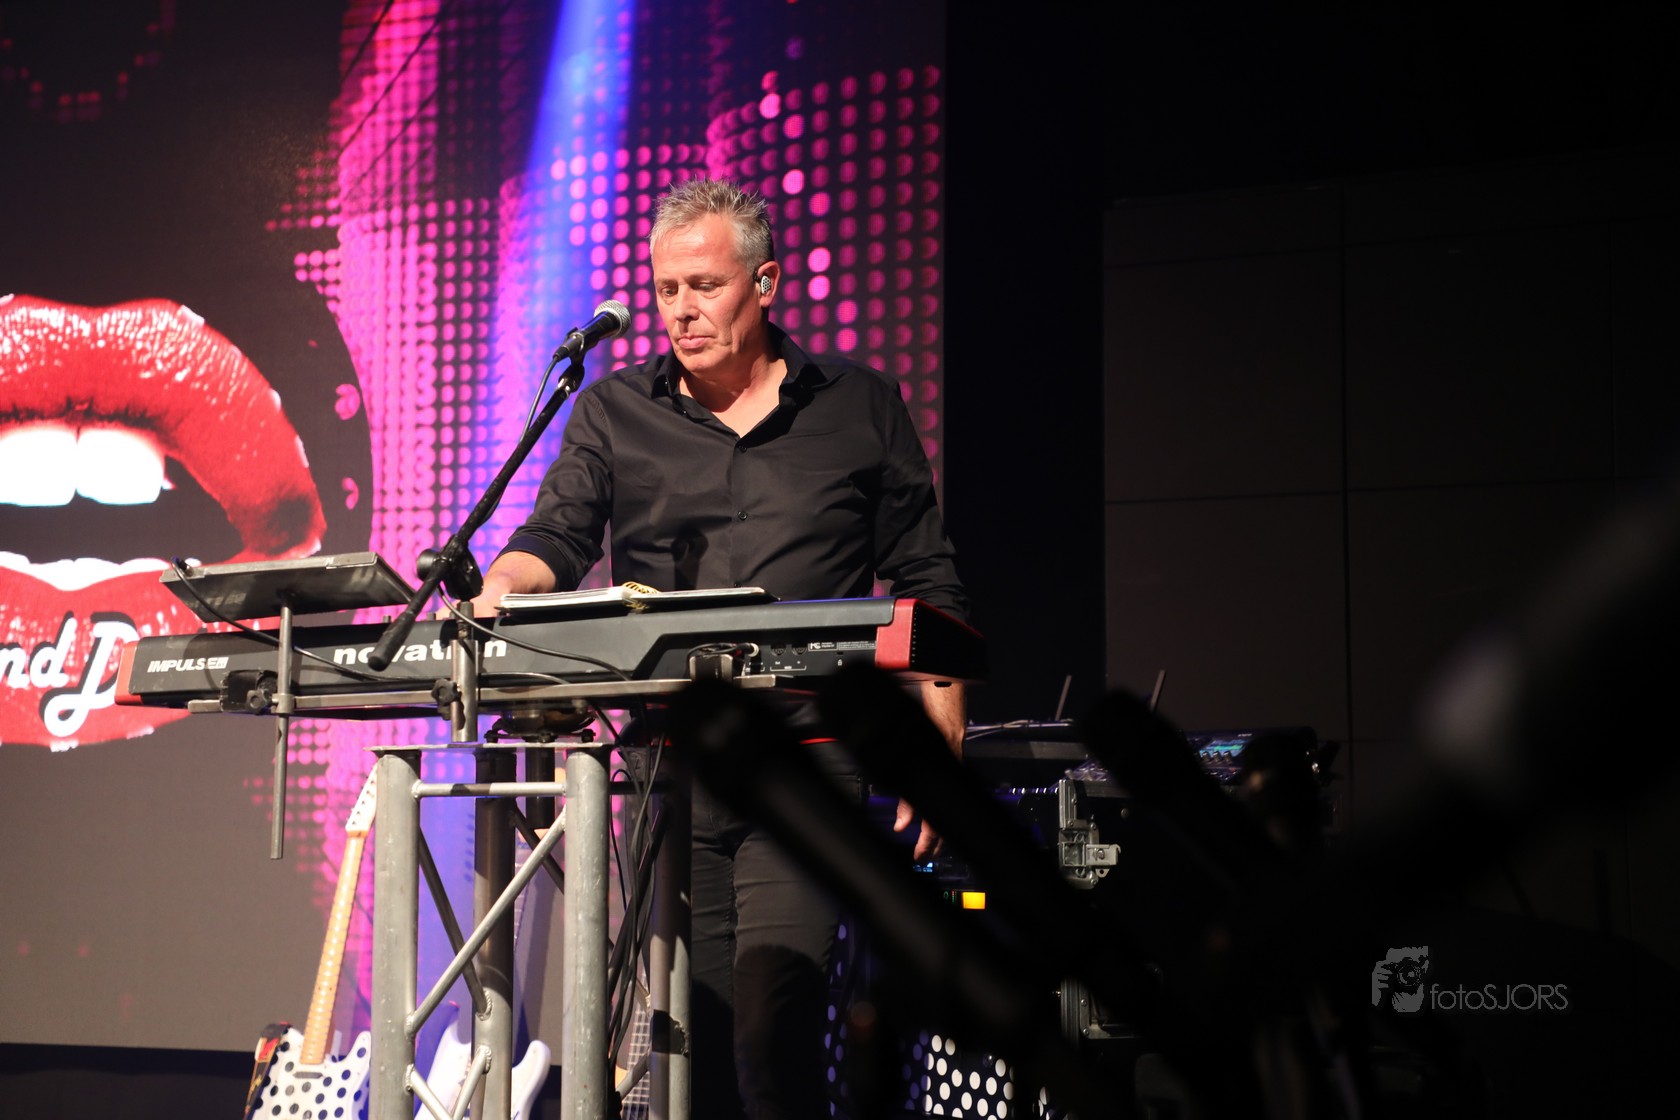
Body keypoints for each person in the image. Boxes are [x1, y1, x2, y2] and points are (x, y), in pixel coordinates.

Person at [464, 176, 969, 1117]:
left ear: (765, 283)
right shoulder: (614, 410)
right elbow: (555, 537)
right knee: (689, 1041)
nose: (681, 311)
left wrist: (942, 726)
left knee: (773, 1019)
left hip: (811, 759)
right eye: (666, 290)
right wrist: (502, 588)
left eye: (704, 286)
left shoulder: (860, 405)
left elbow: (923, 569)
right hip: (668, 769)